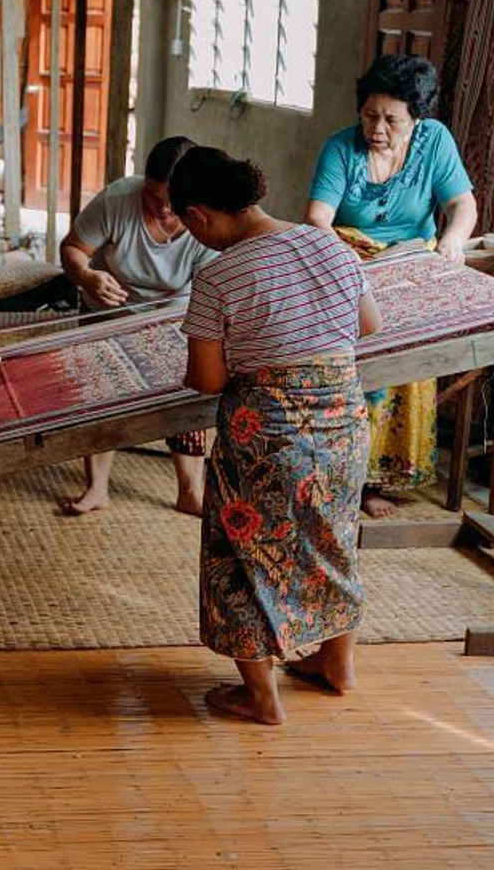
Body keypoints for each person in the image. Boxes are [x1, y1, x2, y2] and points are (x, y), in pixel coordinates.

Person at [172, 146, 381, 726]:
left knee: (240, 553)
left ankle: (261, 697)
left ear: (198, 216)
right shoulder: (327, 243)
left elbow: (208, 379)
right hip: (343, 424)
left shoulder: (218, 276)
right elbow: (368, 324)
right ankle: (337, 664)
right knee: (332, 541)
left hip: (267, 435)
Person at [305, 54, 477, 517]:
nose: (377, 128)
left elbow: (462, 205)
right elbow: (318, 220)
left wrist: (453, 242)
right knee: (355, 373)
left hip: (410, 268)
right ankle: (345, 475)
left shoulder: (434, 141)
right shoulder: (341, 150)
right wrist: (350, 266)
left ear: (416, 119)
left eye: (391, 119)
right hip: (351, 268)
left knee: (405, 372)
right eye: (369, 116)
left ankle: (380, 478)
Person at [59, 135, 217, 516]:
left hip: (173, 318)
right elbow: (72, 249)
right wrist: (87, 276)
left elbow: (210, 294)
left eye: (171, 201)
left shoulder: (206, 220)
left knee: (187, 391)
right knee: (102, 389)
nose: (162, 209)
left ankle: (190, 491)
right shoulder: (117, 201)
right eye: (152, 197)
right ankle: (97, 488)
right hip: (109, 311)